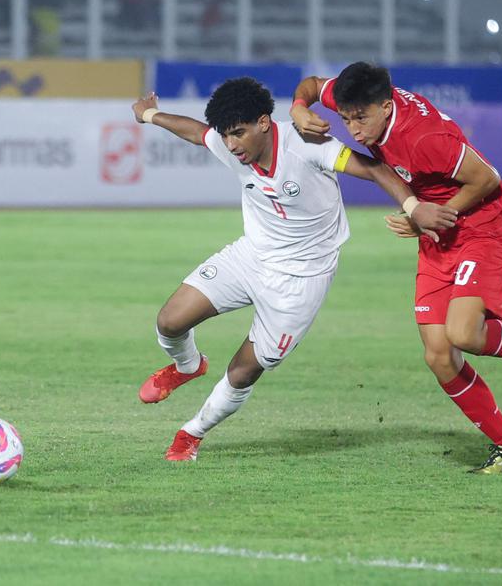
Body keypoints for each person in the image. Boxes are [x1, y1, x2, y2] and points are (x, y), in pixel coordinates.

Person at [133, 78, 457, 461]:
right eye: (227, 136)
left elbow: (374, 170)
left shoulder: (305, 146)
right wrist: (149, 114)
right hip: (252, 255)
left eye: (239, 133)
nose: (232, 145)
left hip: (301, 280)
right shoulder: (228, 145)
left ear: (265, 123)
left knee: (242, 372)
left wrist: (412, 207)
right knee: (170, 321)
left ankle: (191, 434)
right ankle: (188, 366)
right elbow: (197, 133)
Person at [290, 63, 502, 473]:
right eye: (347, 118)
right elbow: (315, 85)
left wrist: (430, 213)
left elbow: (489, 179)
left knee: (463, 333)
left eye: (361, 118)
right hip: (436, 232)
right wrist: (300, 106)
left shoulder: (424, 138)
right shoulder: (360, 99)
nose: (352, 129)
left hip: (479, 229)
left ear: (387, 107)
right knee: (439, 355)